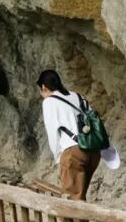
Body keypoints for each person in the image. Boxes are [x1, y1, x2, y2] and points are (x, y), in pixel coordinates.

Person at [38, 70, 102, 201]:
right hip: (93, 151)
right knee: (80, 196)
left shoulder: (49, 102)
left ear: (43, 87)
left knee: (72, 201)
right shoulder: (78, 96)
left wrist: (58, 158)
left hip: (73, 152)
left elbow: (53, 133)